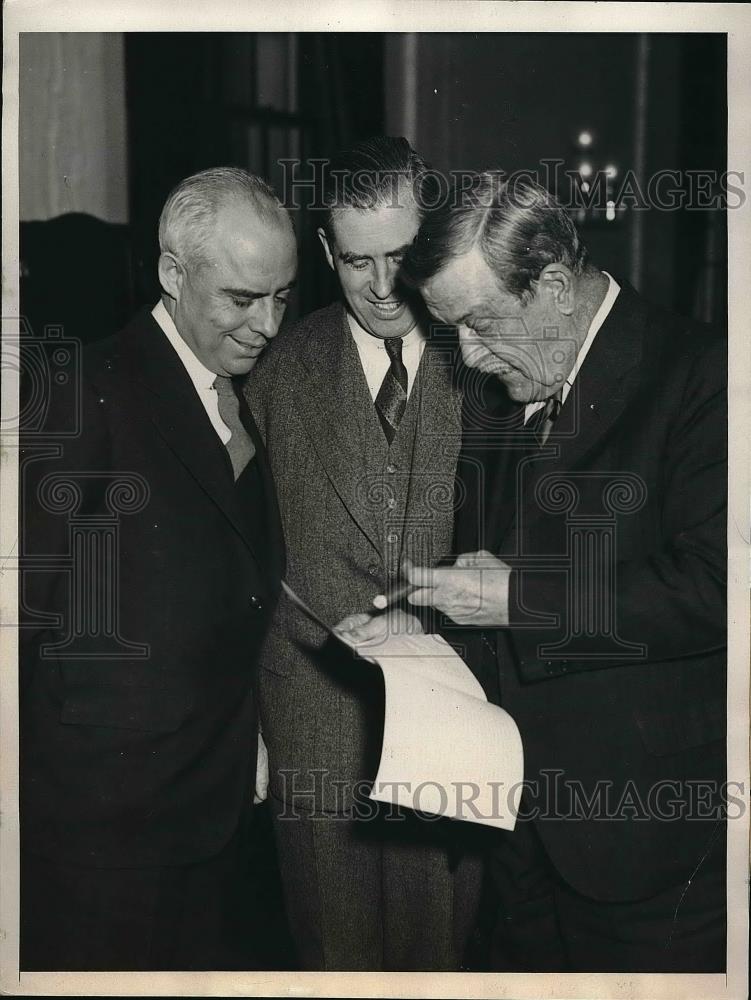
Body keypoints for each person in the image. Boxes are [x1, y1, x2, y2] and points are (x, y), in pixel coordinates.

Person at [341, 172, 727, 972]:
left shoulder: (702, 375)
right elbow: (503, 569)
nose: (471, 357)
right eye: (452, 332)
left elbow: (716, 589)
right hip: (516, 833)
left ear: (553, 285)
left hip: (644, 842)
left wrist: (517, 598)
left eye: (480, 322)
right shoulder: (504, 386)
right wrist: (424, 623)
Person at [19, 167, 297, 970]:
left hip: (208, 815)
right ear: (174, 275)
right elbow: (20, 616)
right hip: (99, 829)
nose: (267, 325)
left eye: (281, 297)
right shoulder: (82, 391)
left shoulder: (234, 396)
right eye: (243, 299)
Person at [244, 137, 482, 971]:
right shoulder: (270, 371)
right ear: (324, 254)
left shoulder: (490, 363)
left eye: (402, 257)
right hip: (313, 718)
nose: (383, 288)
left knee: (438, 957)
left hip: (460, 719)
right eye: (356, 262)